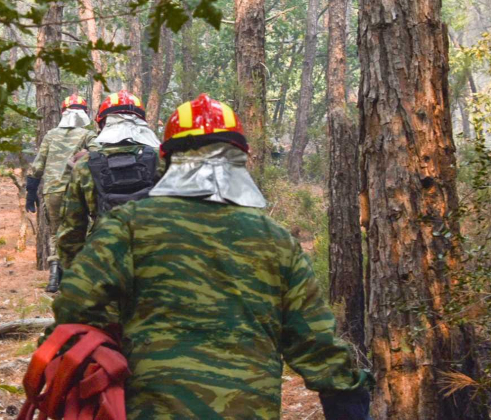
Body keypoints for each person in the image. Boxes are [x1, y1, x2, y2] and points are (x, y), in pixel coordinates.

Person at [47, 94, 373, 419]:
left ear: (167, 159)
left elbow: (73, 304)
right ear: (241, 157)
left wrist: (111, 342)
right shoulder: (276, 240)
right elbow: (320, 348)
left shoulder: (129, 227)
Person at [57, 90, 162, 269]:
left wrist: (71, 273)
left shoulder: (85, 165)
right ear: (142, 122)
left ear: (103, 123)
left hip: (105, 261)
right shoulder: (162, 159)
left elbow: (72, 229)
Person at [26, 94, 97, 293]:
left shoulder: (50, 135)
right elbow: (98, 154)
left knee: (56, 234)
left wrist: (30, 191)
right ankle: (78, 278)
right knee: (81, 231)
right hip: (77, 192)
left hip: (52, 192)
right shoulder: (87, 135)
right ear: (84, 112)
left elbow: (37, 166)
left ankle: (54, 279)